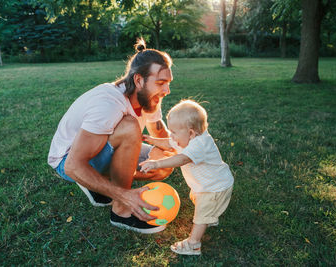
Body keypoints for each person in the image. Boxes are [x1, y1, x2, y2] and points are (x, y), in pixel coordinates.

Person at [48, 38, 174, 234]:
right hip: (68, 161)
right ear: (139, 80)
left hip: (100, 151)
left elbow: (164, 139)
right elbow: (73, 165)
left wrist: (190, 152)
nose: (166, 91)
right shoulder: (108, 104)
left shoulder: (148, 98)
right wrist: (125, 196)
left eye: (168, 83)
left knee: (165, 162)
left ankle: (98, 186)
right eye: (160, 83)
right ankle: (121, 211)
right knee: (130, 126)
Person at [139, 100, 234, 255]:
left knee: (200, 216)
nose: (172, 136)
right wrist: (153, 140)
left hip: (214, 188)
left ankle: (193, 244)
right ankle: (211, 215)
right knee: (197, 199)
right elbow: (170, 143)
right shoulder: (185, 138)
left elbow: (181, 159)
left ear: (191, 133)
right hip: (204, 186)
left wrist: (157, 164)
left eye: (174, 132)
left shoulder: (200, 144)